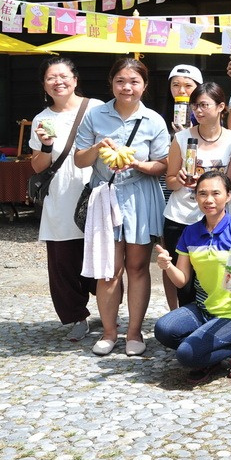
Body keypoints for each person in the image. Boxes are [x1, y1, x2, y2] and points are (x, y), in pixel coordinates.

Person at [74, 57, 170, 357]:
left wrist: (138, 162)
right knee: (108, 270)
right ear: (111, 83)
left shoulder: (154, 120)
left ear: (144, 85)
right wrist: (96, 148)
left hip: (140, 195)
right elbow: (79, 159)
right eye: (120, 81)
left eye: (134, 82)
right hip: (107, 196)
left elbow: (164, 164)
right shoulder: (95, 115)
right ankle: (108, 331)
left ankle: (134, 332)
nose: (127, 87)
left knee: (138, 267)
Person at [153, 171, 231, 381]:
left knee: (186, 354)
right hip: (204, 308)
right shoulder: (190, 233)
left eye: (216, 193)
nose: (209, 199)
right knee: (164, 330)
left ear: (228, 196)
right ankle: (207, 354)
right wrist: (167, 266)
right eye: (202, 194)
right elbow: (182, 280)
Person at [30, 57, 102, 341]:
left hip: (94, 193)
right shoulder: (42, 118)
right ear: (44, 85)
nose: (58, 82)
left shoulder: (96, 109)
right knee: (63, 262)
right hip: (59, 197)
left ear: (75, 79)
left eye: (63, 76)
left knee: (102, 257)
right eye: (51, 78)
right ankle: (77, 317)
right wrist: (46, 145)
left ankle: (110, 316)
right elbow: (37, 165)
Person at [162, 82, 231, 311]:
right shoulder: (182, 138)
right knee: (184, 280)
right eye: (195, 106)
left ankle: (218, 323)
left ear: (221, 107)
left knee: (219, 275)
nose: (198, 111)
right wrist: (182, 180)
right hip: (182, 217)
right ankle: (187, 324)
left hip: (219, 220)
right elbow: (170, 180)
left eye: (204, 105)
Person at [167, 64, 203, 133]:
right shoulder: (159, 119)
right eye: (176, 85)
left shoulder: (207, 116)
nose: (181, 91)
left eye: (188, 85)